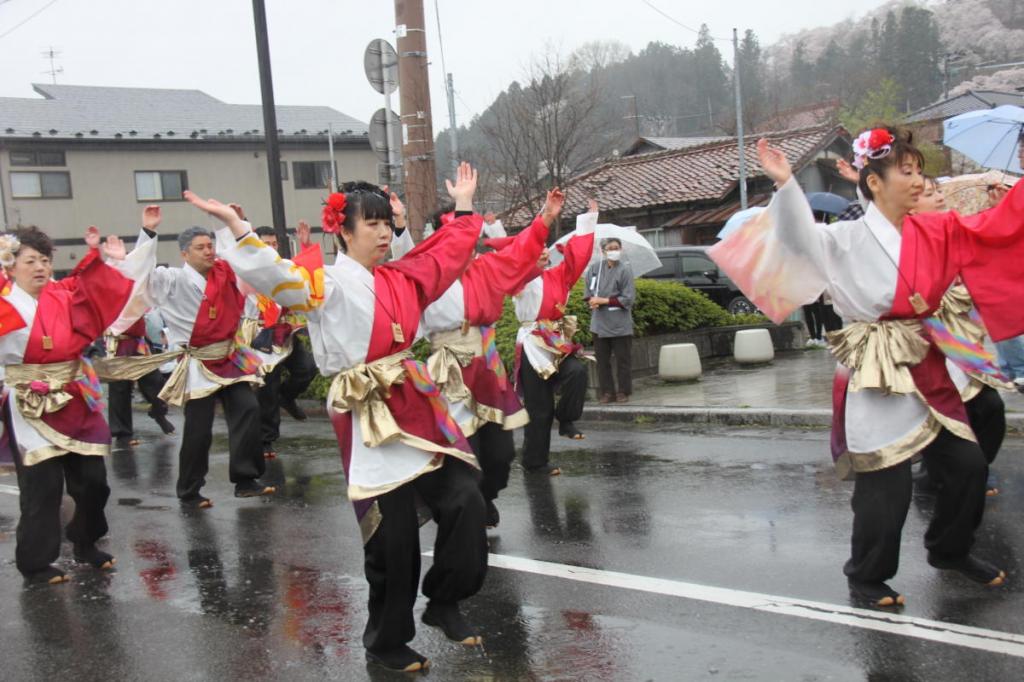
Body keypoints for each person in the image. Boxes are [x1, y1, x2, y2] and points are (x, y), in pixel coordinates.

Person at [186, 163, 488, 674]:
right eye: (370, 224)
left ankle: (444, 599)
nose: (383, 232)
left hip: (413, 398)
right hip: (366, 408)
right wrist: (235, 228)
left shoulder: (402, 277)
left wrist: (461, 207)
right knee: (391, 539)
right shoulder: (324, 282)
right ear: (342, 231)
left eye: (386, 224)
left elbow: (446, 254)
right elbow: (277, 278)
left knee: (467, 499)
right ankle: (385, 641)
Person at [710, 128, 1024, 608]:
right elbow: (795, 238)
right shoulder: (842, 237)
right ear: (874, 182)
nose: (919, 181)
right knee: (886, 485)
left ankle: (950, 550)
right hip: (879, 365)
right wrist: (786, 184)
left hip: (929, 357)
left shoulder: (936, 229)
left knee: (968, 466)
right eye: (907, 171)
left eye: (920, 171)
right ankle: (867, 575)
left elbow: (996, 231)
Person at [392, 189, 561, 528]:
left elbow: (521, 253)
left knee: (501, 453)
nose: (466, 245)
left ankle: (486, 495)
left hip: (487, 366)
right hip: (450, 366)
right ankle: (461, 505)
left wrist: (545, 218)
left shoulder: (487, 268)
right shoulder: (429, 272)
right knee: (462, 448)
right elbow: (406, 257)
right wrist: (398, 225)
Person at [0, 225, 142, 584]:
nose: (39, 268)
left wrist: (111, 261)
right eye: (30, 260)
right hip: (28, 402)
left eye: (45, 260)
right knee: (43, 486)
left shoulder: (63, 295)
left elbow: (99, 291)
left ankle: (85, 541)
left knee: (94, 482)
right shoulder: (5, 303)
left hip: (75, 396)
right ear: (10, 265)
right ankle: (35, 562)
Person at [120, 217, 273, 508]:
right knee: (199, 430)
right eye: (200, 247)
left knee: (248, 407)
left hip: (228, 356)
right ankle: (189, 489)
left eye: (210, 245)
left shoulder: (225, 274)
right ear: (184, 254)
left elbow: (246, 261)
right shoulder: (172, 279)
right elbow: (140, 275)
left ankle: (245, 479)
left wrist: (236, 225)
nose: (208, 251)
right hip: (198, 360)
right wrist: (148, 233)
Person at [515, 201, 597, 475]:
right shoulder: (521, 278)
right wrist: (544, 218)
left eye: (543, 249)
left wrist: (587, 221)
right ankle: (535, 462)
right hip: (531, 343)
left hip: (555, 340)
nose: (540, 253)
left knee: (577, 373)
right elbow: (520, 259)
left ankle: (566, 419)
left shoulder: (559, 276)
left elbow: (578, 258)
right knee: (539, 409)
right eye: (534, 250)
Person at [243, 223, 318, 459]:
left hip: (284, 332)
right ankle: (266, 440)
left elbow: (305, 270)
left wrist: (305, 244)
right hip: (260, 335)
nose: (272, 248)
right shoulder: (246, 270)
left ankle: (287, 396)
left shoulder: (281, 267)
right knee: (268, 388)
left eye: (274, 244)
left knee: (307, 368)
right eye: (266, 244)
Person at [104, 206, 175, 445]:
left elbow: (141, 261)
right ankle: (122, 433)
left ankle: (159, 412)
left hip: (137, 341)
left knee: (153, 382)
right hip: (117, 341)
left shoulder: (133, 279)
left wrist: (147, 230)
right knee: (120, 388)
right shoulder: (106, 282)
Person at [584, 237, 636, 402]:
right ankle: (607, 392)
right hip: (599, 323)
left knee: (623, 360)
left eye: (617, 248)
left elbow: (628, 298)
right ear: (603, 251)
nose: (614, 251)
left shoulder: (625, 270)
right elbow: (588, 292)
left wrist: (604, 301)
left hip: (620, 323)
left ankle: (623, 391)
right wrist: (591, 301)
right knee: (602, 361)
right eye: (610, 248)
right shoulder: (594, 270)